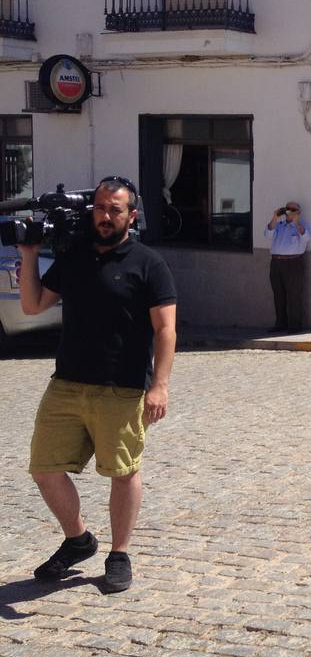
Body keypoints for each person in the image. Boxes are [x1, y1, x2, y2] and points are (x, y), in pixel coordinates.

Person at [18, 176, 177, 593]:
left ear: (131, 215)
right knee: (44, 468)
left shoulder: (148, 263)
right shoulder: (75, 257)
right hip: (67, 383)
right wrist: (28, 254)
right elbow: (34, 305)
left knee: (122, 472)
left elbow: (166, 330)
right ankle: (79, 539)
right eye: (101, 208)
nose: (105, 217)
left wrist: (159, 385)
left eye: (115, 210)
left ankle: (119, 553)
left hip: (121, 388)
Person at [264, 200, 311, 332]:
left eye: (292, 209)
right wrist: (275, 216)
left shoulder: (302, 226)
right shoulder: (279, 225)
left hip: (294, 263)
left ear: (298, 212)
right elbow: (268, 234)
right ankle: (280, 324)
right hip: (276, 263)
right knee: (278, 294)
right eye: (287, 208)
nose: (289, 211)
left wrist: (296, 222)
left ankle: (295, 326)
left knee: (294, 295)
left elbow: (306, 237)